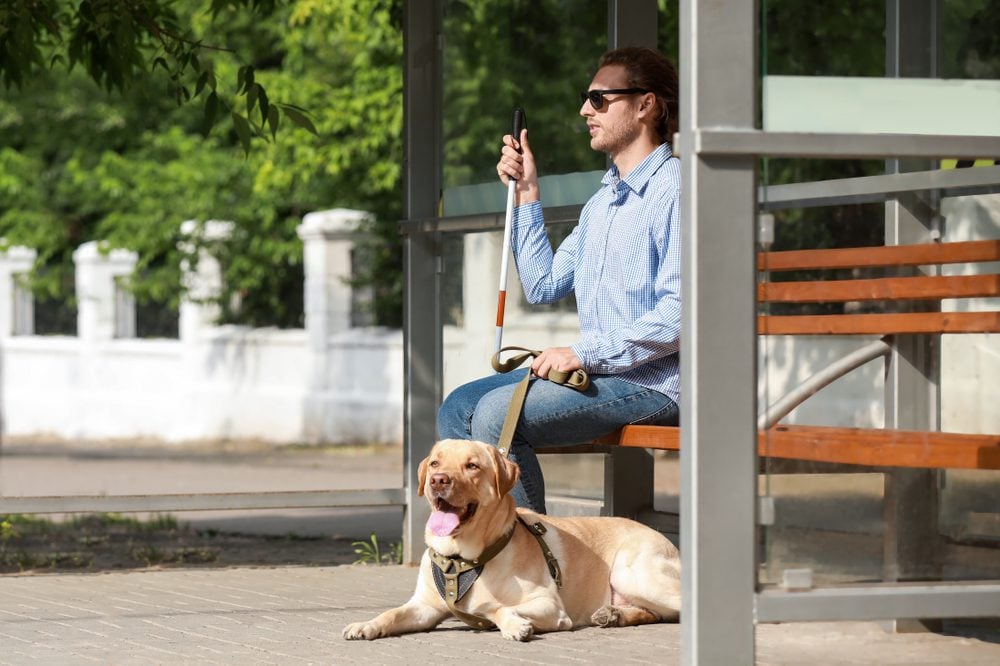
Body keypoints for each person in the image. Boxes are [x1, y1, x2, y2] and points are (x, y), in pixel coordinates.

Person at [437, 46, 681, 514]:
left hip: (655, 384)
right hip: (604, 376)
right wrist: (527, 192)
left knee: (494, 415)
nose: (585, 109)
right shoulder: (602, 203)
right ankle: (491, 547)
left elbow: (678, 315)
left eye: (599, 99)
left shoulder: (676, 190)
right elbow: (544, 283)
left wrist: (581, 352)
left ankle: (532, 563)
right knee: (458, 407)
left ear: (646, 105)